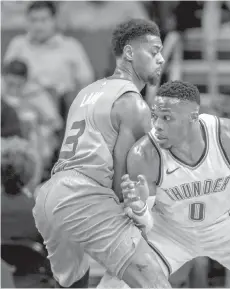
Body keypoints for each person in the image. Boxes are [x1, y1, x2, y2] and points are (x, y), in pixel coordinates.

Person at [102, 80, 230, 288]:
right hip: (171, 231)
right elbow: (147, 224)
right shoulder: (143, 154)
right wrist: (140, 208)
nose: (157, 126)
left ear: (193, 118)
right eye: (155, 116)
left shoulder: (229, 135)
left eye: (167, 118)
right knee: (116, 283)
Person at [32, 18, 170, 288]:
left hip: (50, 196)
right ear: (129, 53)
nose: (162, 59)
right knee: (152, 277)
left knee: (74, 282)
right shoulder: (134, 105)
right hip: (83, 195)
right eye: (154, 51)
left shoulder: (87, 92)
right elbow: (121, 181)